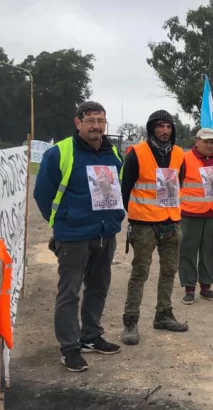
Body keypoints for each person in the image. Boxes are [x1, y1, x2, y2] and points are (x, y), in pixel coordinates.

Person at [34, 101, 125, 372]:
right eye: (90, 120)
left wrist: (114, 219)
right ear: (78, 123)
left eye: (101, 120)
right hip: (73, 235)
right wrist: (61, 222)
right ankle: (70, 348)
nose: (96, 126)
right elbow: (42, 194)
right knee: (69, 292)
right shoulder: (59, 152)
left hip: (104, 233)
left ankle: (91, 336)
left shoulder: (113, 154)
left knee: (98, 287)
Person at [120, 109, 189, 346]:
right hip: (143, 224)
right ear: (151, 129)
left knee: (169, 270)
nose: (165, 131)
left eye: (168, 126)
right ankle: (130, 321)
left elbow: (179, 184)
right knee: (140, 272)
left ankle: (163, 314)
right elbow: (125, 188)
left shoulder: (180, 154)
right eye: (160, 126)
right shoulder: (136, 153)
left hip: (171, 222)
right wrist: (135, 215)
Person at [178, 128, 213, 304]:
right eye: (205, 141)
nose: (209, 145)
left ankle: (206, 286)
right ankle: (189, 288)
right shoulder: (184, 158)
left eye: (212, 142)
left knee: (210, 251)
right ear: (196, 141)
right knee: (188, 250)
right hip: (191, 213)